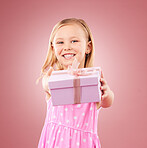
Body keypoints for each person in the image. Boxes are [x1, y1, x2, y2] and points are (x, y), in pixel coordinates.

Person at [37, 18, 114, 148]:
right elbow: (46, 85)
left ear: (88, 47)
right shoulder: (52, 78)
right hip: (54, 142)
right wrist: (52, 83)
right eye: (60, 42)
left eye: (74, 41)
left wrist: (106, 93)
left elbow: (107, 102)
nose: (67, 47)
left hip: (83, 143)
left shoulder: (91, 81)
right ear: (53, 48)